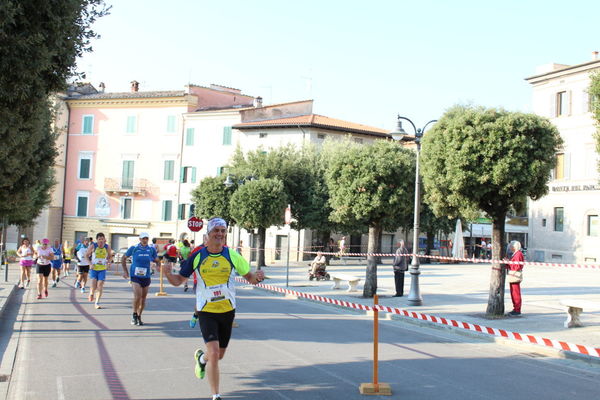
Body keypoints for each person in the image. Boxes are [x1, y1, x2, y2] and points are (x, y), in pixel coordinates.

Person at [162, 218, 264, 400]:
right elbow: (179, 281)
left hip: (227, 311)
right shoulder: (198, 256)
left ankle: (201, 360)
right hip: (206, 311)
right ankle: (216, 395)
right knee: (215, 354)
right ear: (208, 234)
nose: (220, 234)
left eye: (223, 231)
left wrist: (258, 277)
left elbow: (250, 278)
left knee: (219, 355)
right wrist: (168, 273)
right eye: (216, 230)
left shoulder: (232, 255)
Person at [122, 232, 159, 326]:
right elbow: (123, 258)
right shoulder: (134, 248)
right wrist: (125, 271)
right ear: (140, 239)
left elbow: (157, 259)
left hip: (146, 276)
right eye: (143, 238)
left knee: (143, 299)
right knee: (137, 296)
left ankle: (139, 316)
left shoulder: (151, 249)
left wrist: (157, 266)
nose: (145, 240)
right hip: (135, 276)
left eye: (146, 238)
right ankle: (134, 314)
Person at [85, 232, 112, 309]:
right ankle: (91, 293)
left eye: (102, 239)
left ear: (104, 239)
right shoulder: (93, 246)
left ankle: (97, 302)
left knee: (100, 285)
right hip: (94, 269)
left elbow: (110, 256)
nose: (101, 241)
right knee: (93, 284)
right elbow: (86, 256)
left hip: (102, 269)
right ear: (97, 240)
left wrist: (109, 263)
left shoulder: (107, 247)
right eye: (99, 239)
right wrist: (90, 264)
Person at [506, 240, 524, 317]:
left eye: (511, 246)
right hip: (513, 274)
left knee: (515, 293)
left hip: (515, 274)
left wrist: (508, 262)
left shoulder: (518, 254)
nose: (510, 247)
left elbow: (517, 266)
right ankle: (515, 308)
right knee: (513, 292)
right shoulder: (516, 254)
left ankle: (517, 309)